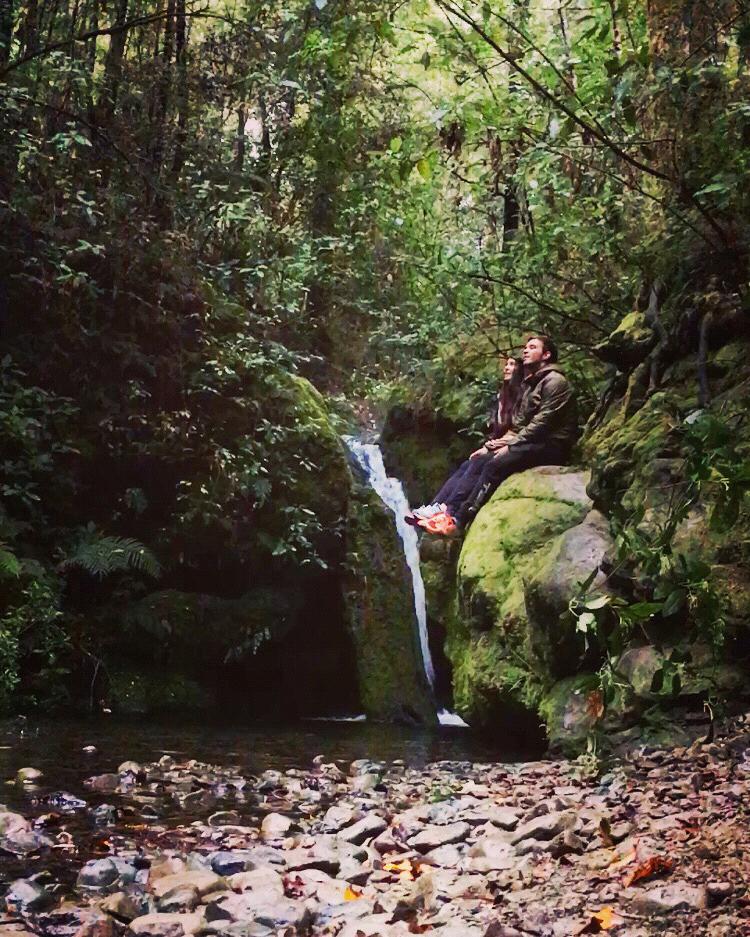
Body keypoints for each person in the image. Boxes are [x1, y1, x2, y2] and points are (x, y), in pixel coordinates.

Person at [418, 335, 578, 536]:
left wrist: (510, 447)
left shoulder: (555, 382)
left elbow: (541, 424)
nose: (525, 351)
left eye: (532, 347)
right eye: (525, 347)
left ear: (546, 355)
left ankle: (460, 520)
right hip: (533, 441)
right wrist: (490, 446)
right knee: (480, 460)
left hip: (553, 445)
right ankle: (447, 511)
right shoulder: (532, 384)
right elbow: (518, 425)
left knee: (496, 464)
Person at [406, 355, 524, 526]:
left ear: (520, 370)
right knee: (467, 464)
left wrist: (490, 447)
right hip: (501, 444)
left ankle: (449, 509)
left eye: (512, 365)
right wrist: (490, 445)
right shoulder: (504, 396)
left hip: (513, 447)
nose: (506, 368)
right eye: (506, 364)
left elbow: (517, 430)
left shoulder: (522, 396)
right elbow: (499, 431)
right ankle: (434, 507)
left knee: (480, 463)